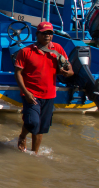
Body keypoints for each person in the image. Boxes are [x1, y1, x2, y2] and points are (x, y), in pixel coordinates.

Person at [13, 21, 74, 153]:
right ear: (37, 34)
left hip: (49, 94)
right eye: (44, 33)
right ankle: (23, 135)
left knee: (40, 128)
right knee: (33, 122)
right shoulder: (25, 52)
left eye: (50, 33)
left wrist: (67, 72)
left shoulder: (57, 49)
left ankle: (34, 154)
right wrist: (25, 92)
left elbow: (70, 69)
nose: (47, 35)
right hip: (31, 94)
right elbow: (18, 73)